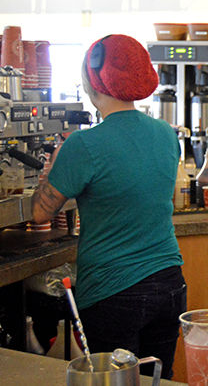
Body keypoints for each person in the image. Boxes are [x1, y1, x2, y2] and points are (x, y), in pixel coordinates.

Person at [31, 34, 186, 379]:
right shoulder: (165, 134)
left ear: (91, 78)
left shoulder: (83, 145)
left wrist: (54, 165)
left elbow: (40, 213)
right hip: (169, 284)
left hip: (113, 292)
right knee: (158, 379)